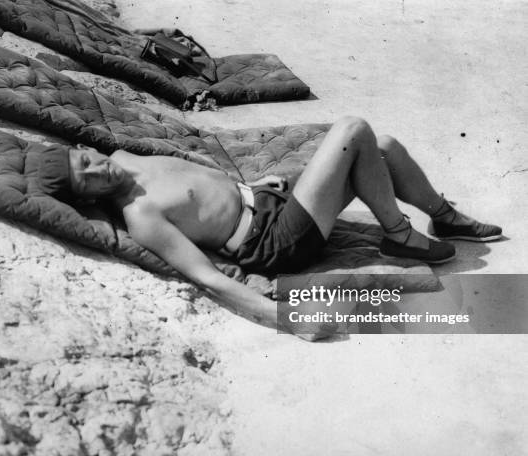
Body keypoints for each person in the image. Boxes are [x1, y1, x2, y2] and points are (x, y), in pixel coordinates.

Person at [38, 116, 502, 339]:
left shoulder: (121, 157)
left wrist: (252, 183)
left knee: (382, 146)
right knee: (352, 131)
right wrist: (284, 318)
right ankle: (399, 236)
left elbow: (196, 184)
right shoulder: (141, 217)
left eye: (87, 161)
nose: (100, 170)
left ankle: (444, 216)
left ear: (84, 147)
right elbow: (206, 276)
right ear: (90, 198)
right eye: (89, 180)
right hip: (276, 241)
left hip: (265, 198)